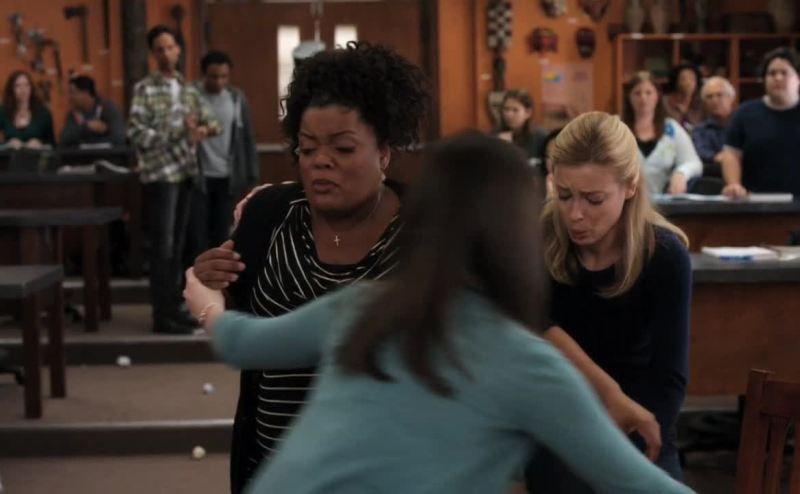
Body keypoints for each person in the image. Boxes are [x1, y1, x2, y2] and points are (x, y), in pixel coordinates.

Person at [183, 130, 693, 494]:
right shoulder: (526, 364)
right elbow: (642, 485)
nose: (574, 213)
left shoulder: (363, 303)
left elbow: (239, 342)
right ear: (516, 237)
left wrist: (203, 298)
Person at [191, 41, 429, 493]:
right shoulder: (267, 217)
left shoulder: (425, 231)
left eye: (343, 148)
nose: (321, 160)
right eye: (307, 148)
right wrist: (212, 283)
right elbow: (242, 323)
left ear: (384, 152)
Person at [526, 111, 691, 492]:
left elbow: (669, 381)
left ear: (630, 186)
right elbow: (529, 326)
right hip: (557, 421)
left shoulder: (664, 255)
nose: (575, 214)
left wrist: (624, 450)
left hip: (637, 420)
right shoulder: (537, 238)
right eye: (563, 195)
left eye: (593, 199)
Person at [127, 25, 221, 334]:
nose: (166, 54)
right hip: (160, 175)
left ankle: (176, 308)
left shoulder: (189, 89)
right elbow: (136, 132)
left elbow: (214, 122)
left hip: (186, 173)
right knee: (162, 248)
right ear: (153, 55)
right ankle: (161, 315)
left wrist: (201, 129)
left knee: (179, 247)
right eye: (160, 49)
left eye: (170, 47)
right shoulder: (145, 89)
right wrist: (176, 131)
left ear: (178, 50)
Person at [186, 50, 259, 263]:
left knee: (222, 234)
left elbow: (247, 137)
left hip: (227, 175)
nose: (219, 81)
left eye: (223, 76)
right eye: (213, 76)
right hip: (197, 176)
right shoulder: (192, 96)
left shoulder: (236, 98)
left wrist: (252, 175)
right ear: (204, 75)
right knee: (197, 236)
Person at [719, 47, 800, 199]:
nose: (777, 78)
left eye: (784, 73)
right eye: (772, 73)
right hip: (755, 201)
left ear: (798, 78)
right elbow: (731, 153)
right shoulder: (744, 113)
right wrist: (734, 184)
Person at [622, 72, 702, 196]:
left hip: (662, 203)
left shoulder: (671, 129)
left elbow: (694, 163)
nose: (643, 98)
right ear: (629, 97)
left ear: (657, 96)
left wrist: (681, 173)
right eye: (637, 93)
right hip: (624, 202)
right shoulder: (616, 128)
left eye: (649, 93)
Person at [60, 75, 126, 148]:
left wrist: (104, 133)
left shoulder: (109, 109)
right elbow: (64, 140)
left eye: (73, 93)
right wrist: (86, 127)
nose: (70, 97)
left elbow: (119, 138)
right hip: (81, 155)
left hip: (107, 154)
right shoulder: (73, 114)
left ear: (85, 93)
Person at [691, 76, 736, 177]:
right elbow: (701, 152)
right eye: (709, 97)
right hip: (714, 177)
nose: (714, 100)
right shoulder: (700, 131)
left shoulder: (742, 124)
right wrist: (717, 157)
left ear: (731, 98)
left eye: (719, 95)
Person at [0, 70, 54, 149]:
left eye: (26, 85)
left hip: (37, 155)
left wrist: (40, 145)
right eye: (18, 86)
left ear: (31, 88)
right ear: (11, 90)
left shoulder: (43, 113)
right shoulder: (3, 112)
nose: (23, 89)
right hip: (11, 155)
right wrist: (7, 144)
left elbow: (52, 145)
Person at [496, 89, 548, 161]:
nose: (509, 115)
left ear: (528, 113)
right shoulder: (495, 135)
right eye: (506, 109)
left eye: (515, 110)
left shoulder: (540, 136)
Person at [663, 63, 704, 131]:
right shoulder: (665, 102)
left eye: (692, 79)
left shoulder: (702, 104)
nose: (688, 83)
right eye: (683, 79)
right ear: (676, 81)